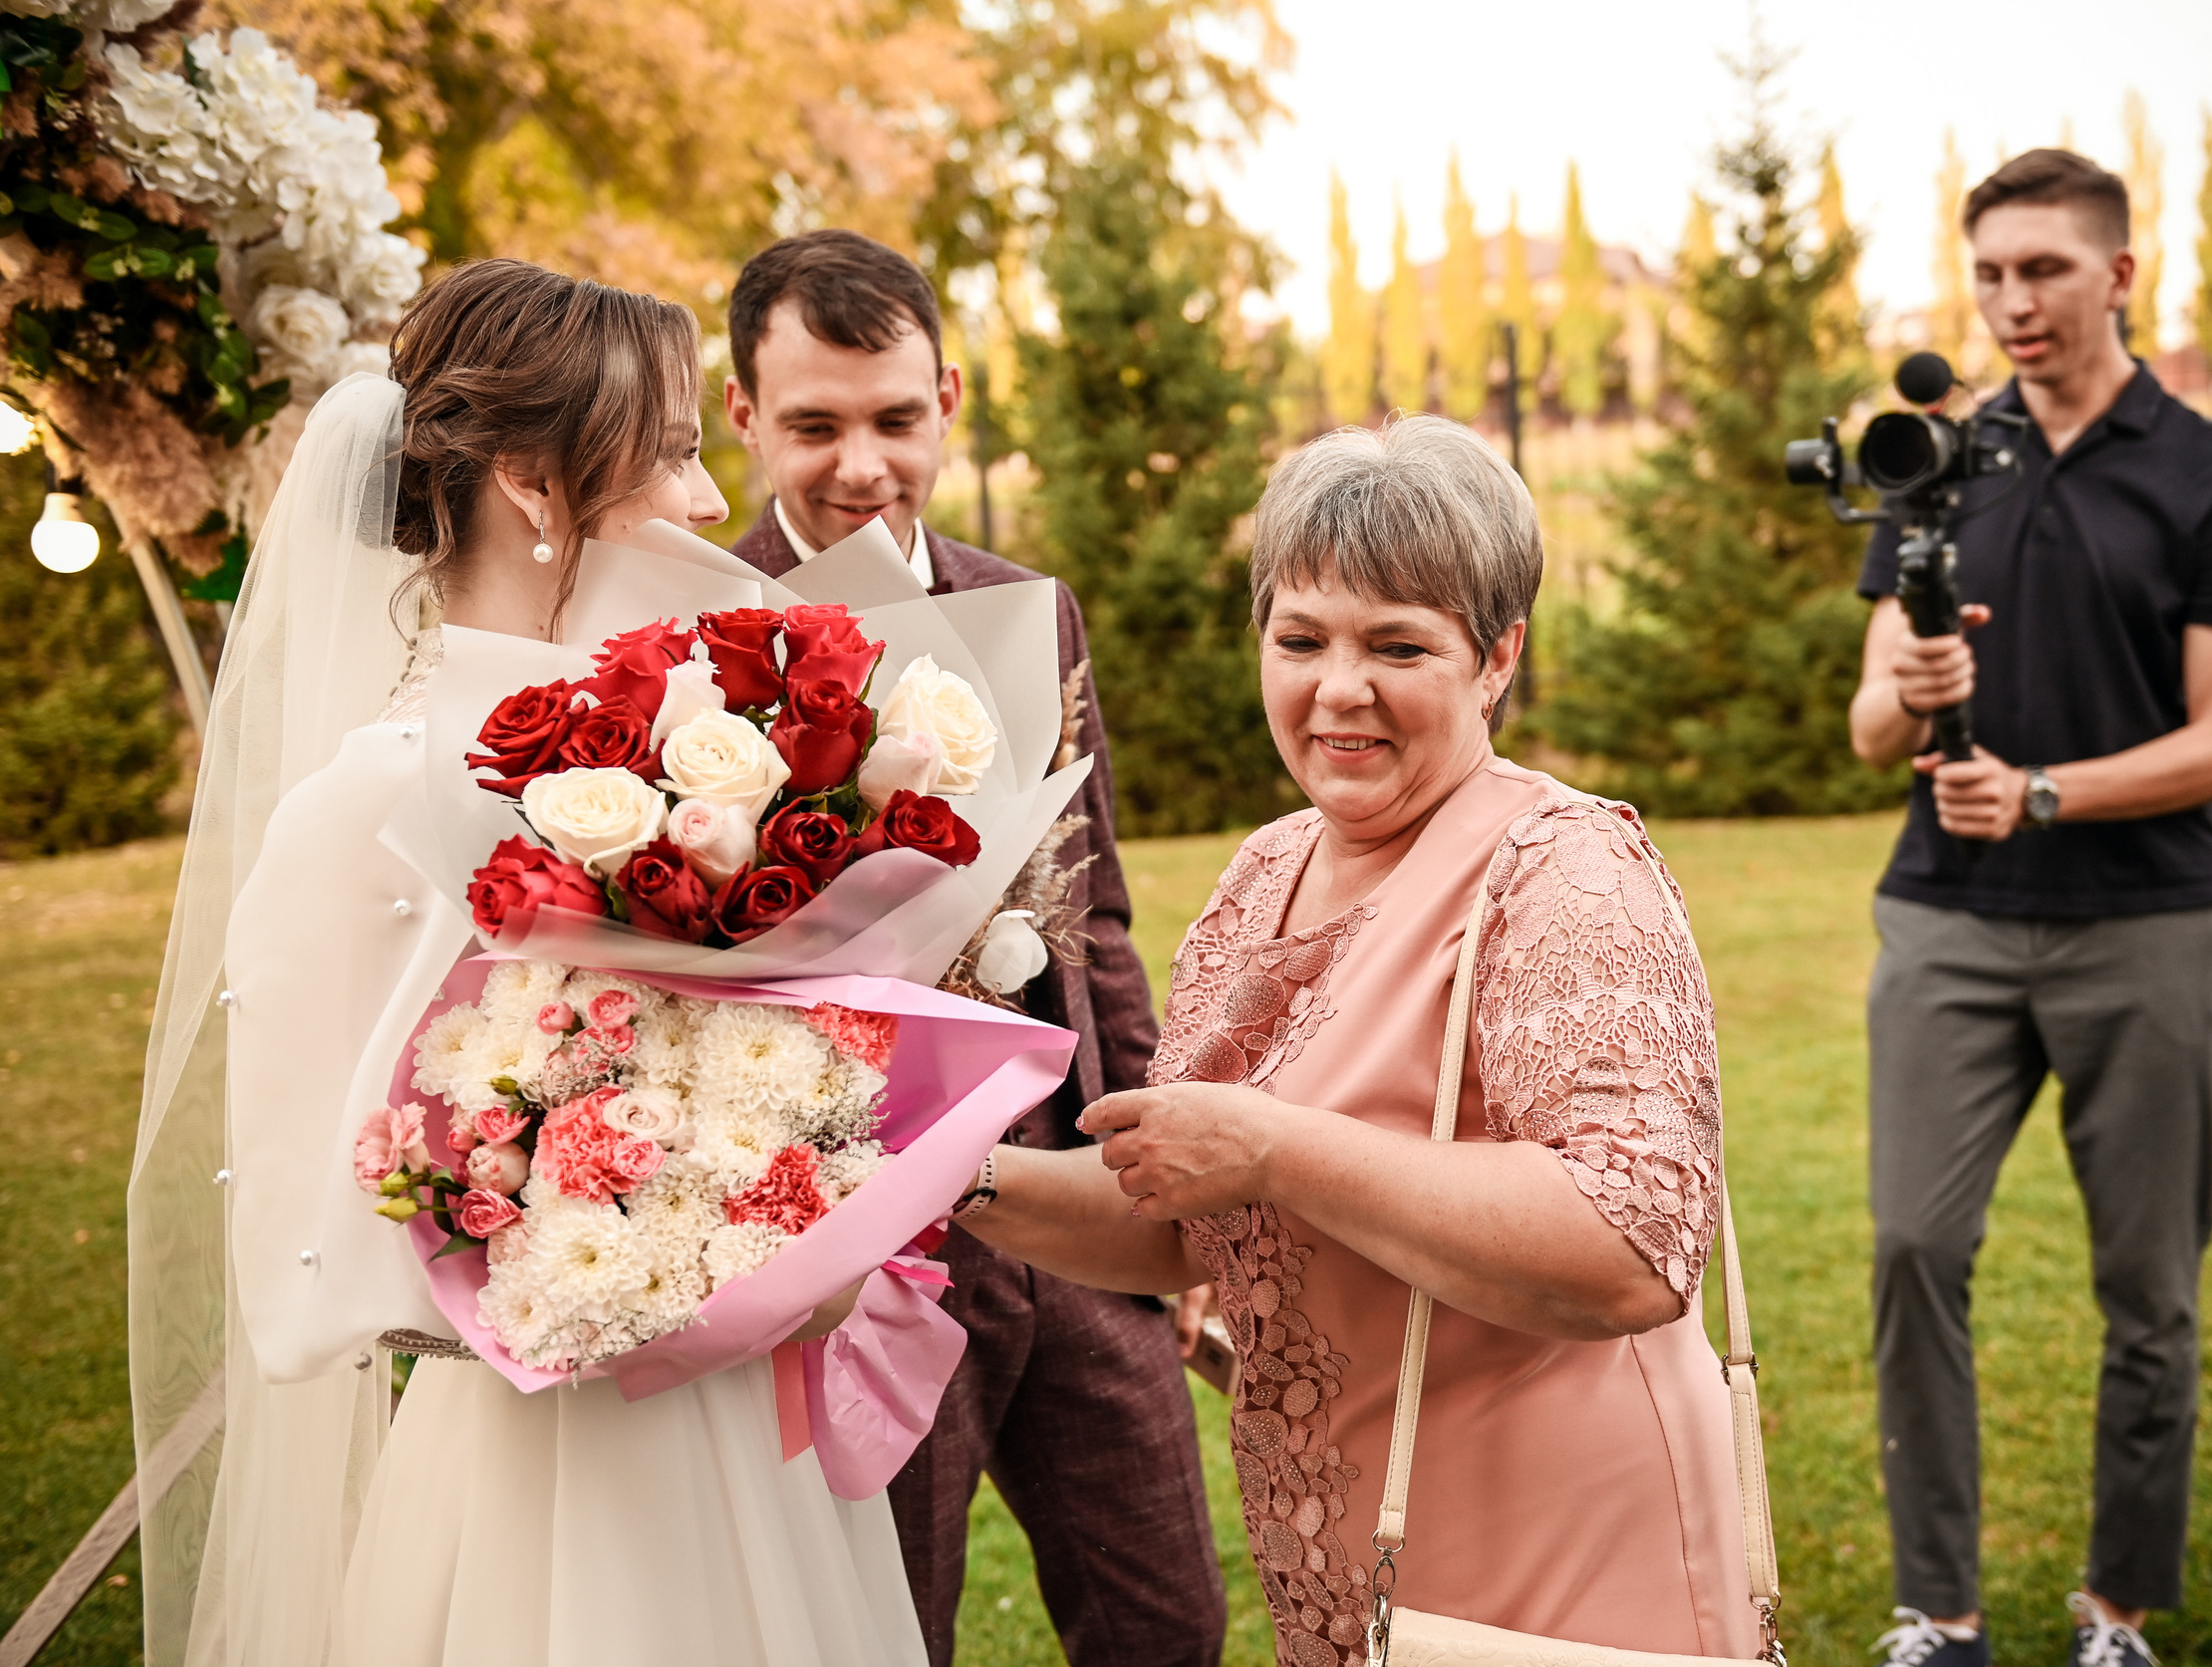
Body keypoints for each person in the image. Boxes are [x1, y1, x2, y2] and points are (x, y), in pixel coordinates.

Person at [127, 259, 928, 1666]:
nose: (699, 499)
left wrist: (812, 1177)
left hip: (738, 1435)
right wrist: (628, 1242)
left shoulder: (705, 769)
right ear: (534, 488)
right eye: (673, 451)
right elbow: (326, 1246)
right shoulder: (367, 805)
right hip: (542, 1465)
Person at [958, 413, 1761, 1661]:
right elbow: (1185, 1214)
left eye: (1398, 644)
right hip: (1351, 1576)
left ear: (1497, 657)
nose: (1339, 687)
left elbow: (1632, 1246)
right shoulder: (1264, 868)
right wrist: (947, 1175)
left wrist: (1279, 1147)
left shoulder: (1562, 868)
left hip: (1556, 1570)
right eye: (1300, 638)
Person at [719, 229, 1226, 1667]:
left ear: (948, 396)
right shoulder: (693, 637)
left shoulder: (1031, 607)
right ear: (745, 414)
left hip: (1070, 1193)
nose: (862, 464)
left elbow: (1095, 912)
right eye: (815, 425)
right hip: (862, 1242)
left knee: (1166, 1618)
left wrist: (1157, 1193)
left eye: (895, 418)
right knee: (893, 1628)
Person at [1845, 150, 2212, 1667]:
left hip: (2148, 924)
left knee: (2149, 1283)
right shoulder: (1932, 455)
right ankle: (1941, 1613)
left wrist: (2040, 790)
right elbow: (1866, 735)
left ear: (2119, 273)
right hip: (1949, 924)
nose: (2012, 303)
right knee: (1912, 1244)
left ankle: (2115, 1611)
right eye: (1988, 275)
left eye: (2042, 270)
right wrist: (1910, 688)